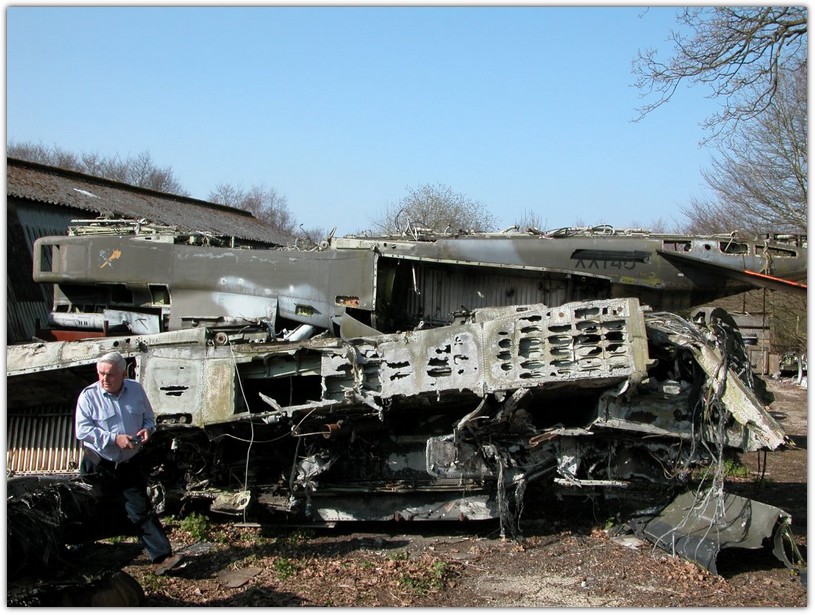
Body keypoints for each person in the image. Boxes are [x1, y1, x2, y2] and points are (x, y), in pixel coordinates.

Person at [75, 351, 183, 575]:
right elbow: (82, 430)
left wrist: (148, 430)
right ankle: (76, 555)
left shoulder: (136, 390)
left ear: (123, 374)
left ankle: (162, 558)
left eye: (110, 375)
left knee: (141, 508)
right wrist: (114, 439)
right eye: (101, 373)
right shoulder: (88, 396)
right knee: (89, 510)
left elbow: (149, 418)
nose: (104, 379)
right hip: (98, 463)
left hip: (128, 463)